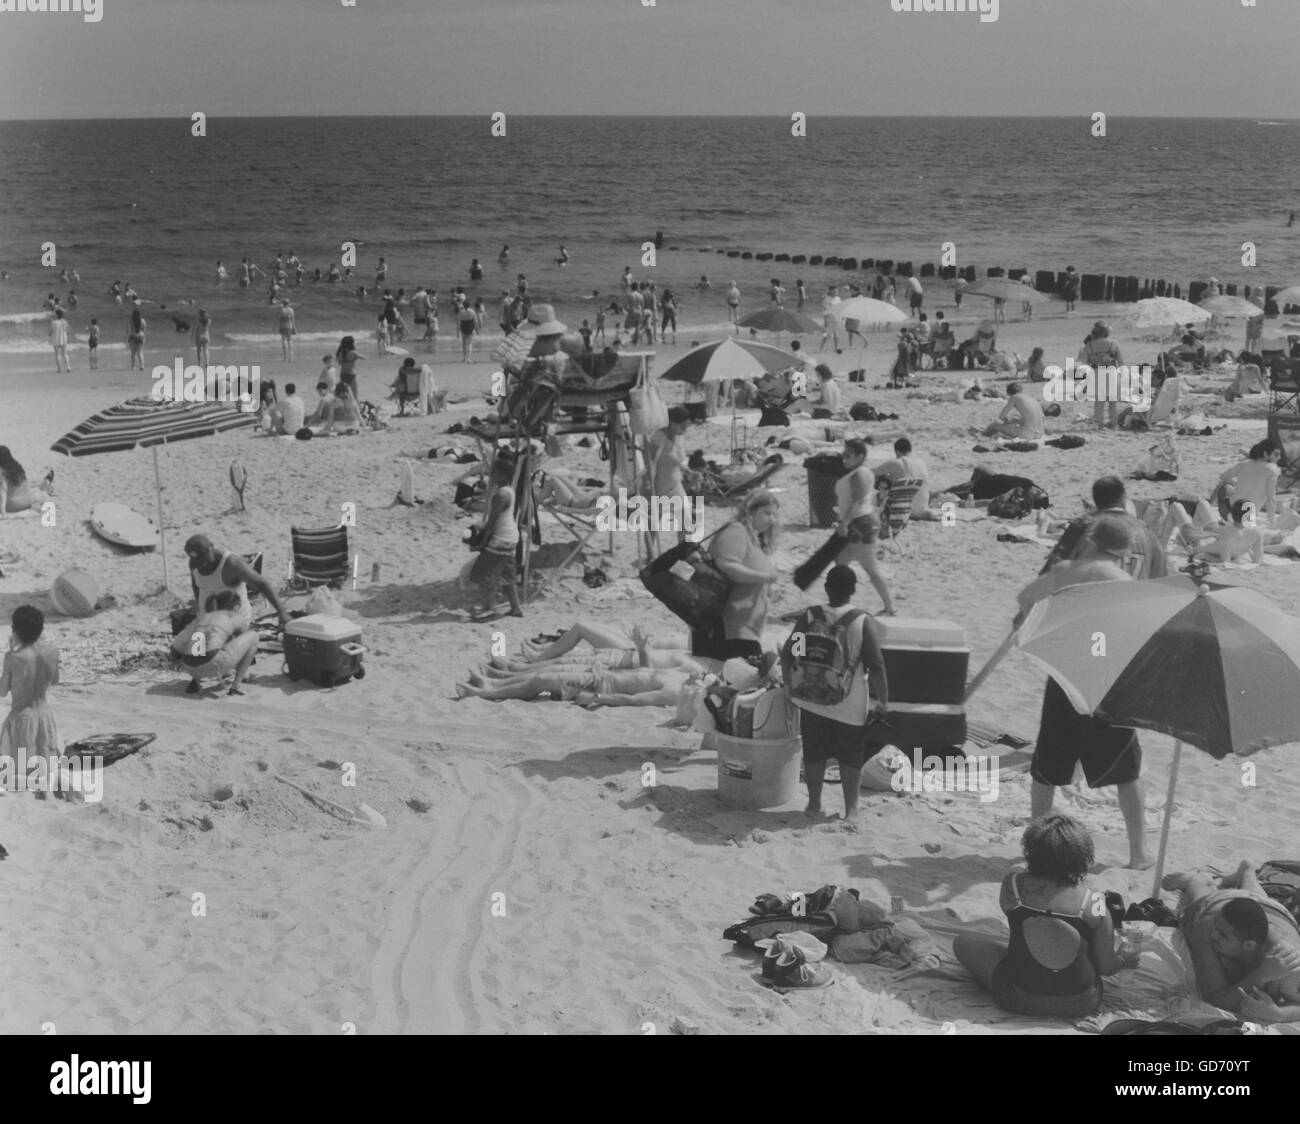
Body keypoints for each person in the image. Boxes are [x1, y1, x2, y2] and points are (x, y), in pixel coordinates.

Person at [1017, 517, 1151, 870]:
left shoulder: (1066, 570)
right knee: (1125, 769)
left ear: (1092, 541)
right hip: (1103, 678)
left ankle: (1036, 847)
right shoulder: (1123, 581)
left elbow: (1026, 598)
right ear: (1124, 552)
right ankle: (1138, 853)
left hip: (1064, 673)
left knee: (1048, 763)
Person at [954, 815, 1135, 1018]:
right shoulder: (1095, 902)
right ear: (1082, 857)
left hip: (1016, 996)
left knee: (964, 942)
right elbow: (1106, 967)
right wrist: (1123, 959)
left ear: (1030, 851)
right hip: (1081, 1003)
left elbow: (1017, 916)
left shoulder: (1013, 886)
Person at [781, 564, 888, 822]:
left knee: (814, 749)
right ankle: (851, 810)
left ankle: (814, 804)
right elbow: (876, 665)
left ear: (827, 588)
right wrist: (882, 700)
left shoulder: (809, 617)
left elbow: (789, 654)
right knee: (851, 754)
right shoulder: (862, 621)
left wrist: (789, 687)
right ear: (853, 590)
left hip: (811, 697)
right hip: (849, 702)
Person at [1162, 861, 1300, 1015]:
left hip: (1273, 911)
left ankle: (1247, 873)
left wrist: (1279, 1014)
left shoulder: (1286, 959)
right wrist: (1262, 974)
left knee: (1255, 901)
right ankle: (1196, 881)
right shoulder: (1208, 927)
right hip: (1221, 906)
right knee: (1198, 904)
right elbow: (1217, 999)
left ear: (1248, 946)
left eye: (1222, 935)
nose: (1214, 935)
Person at [692, 491, 781, 662]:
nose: (772, 520)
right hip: (727, 628)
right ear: (751, 511)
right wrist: (765, 577)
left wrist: (768, 589)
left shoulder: (752, 538)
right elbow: (727, 566)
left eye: (774, 515)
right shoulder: (736, 531)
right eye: (767, 513)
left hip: (742, 628)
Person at [1042, 475, 1167, 579]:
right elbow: (1161, 580)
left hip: (1090, 604)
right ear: (1123, 498)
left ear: (1096, 501)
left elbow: (1050, 574)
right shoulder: (1146, 532)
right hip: (1137, 604)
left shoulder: (1082, 525)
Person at [0, 605, 64, 798]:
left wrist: (10, 654)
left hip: (21, 721)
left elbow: (2, 692)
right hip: (44, 719)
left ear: (16, 630)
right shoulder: (52, 652)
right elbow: (55, 680)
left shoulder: (13, 657)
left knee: (12, 769)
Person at [184, 534, 287, 647]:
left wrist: (282, 612)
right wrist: (199, 609)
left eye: (205, 559)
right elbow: (196, 586)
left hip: (233, 624)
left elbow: (262, 584)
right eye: (198, 561)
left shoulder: (231, 564)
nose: (203, 564)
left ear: (211, 547)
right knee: (190, 654)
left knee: (212, 657)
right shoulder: (194, 564)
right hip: (207, 622)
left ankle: (243, 653)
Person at [832, 439, 896, 616]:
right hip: (861, 522)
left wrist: (844, 523)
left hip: (860, 524)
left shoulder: (859, 474)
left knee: (870, 568)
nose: (844, 458)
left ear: (860, 456)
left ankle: (890, 608)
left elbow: (858, 501)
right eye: (843, 454)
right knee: (841, 562)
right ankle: (840, 602)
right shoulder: (862, 471)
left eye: (848, 455)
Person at [456, 663, 690, 707]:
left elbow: (634, 700)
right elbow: (645, 671)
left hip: (599, 686)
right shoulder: (684, 676)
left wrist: (596, 699)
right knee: (547, 672)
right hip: (601, 675)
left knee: (541, 681)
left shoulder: (674, 693)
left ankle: (485, 693)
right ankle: (494, 682)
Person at [173, 592, 258, 697]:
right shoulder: (234, 616)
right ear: (236, 606)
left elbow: (186, 642)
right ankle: (235, 687)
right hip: (214, 664)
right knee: (254, 636)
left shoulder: (203, 616)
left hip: (190, 666)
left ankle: (195, 681)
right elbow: (244, 645)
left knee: (203, 643)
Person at [513, 621, 691, 670]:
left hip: (633, 650)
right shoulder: (698, 638)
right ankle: (545, 652)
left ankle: (539, 658)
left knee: (581, 627)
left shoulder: (696, 650)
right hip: (636, 645)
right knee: (588, 628)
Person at [470, 459, 523, 621]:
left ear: (501, 474)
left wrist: (482, 543)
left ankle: (490, 608)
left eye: (493, 472)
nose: (490, 475)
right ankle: (515, 608)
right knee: (507, 573)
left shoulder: (500, 496)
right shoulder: (509, 490)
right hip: (511, 536)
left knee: (482, 573)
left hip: (501, 538)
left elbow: (492, 523)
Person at [1215, 437, 1282, 520]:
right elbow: (1271, 499)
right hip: (1247, 516)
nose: (1279, 457)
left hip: (1228, 512)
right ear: (1266, 454)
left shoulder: (1244, 464)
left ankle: (1211, 505)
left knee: (1223, 486)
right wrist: (1272, 521)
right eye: (1276, 454)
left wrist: (1235, 484)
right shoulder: (1272, 469)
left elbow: (1223, 476)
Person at [873, 436, 930, 517]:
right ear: (910, 450)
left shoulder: (896, 462)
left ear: (896, 451)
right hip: (921, 508)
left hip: (903, 509)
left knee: (881, 482)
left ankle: (879, 499)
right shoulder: (921, 462)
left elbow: (871, 472)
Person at [0, 448, 52, 518]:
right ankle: (45, 484)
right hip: (26, 500)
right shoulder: (17, 467)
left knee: (38, 490)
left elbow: (2, 492)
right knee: (40, 493)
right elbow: (23, 485)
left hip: (11, 504)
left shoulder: (2, 473)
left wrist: (3, 512)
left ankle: (44, 484)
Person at [336, 337, 362, 401]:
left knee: (344, 395)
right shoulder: (353, 352)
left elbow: (339, 362)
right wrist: (354, 358)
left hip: (343, 375)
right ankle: (357, 410)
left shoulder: (340, 353)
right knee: (355, 396)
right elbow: (363, 357)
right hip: (351, 375)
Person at [819, 286, 840, 352]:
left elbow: (840, 308)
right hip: (829, 318)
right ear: (830, 291)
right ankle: (821, 347)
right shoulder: (827, 299)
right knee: (827, 335)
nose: (836, 292)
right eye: (834, 291)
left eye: (837, 291)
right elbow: (825, 310)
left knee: (836, 334)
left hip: (836, 318)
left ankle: (836, 348)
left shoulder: (838, 298)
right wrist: (825, 320)